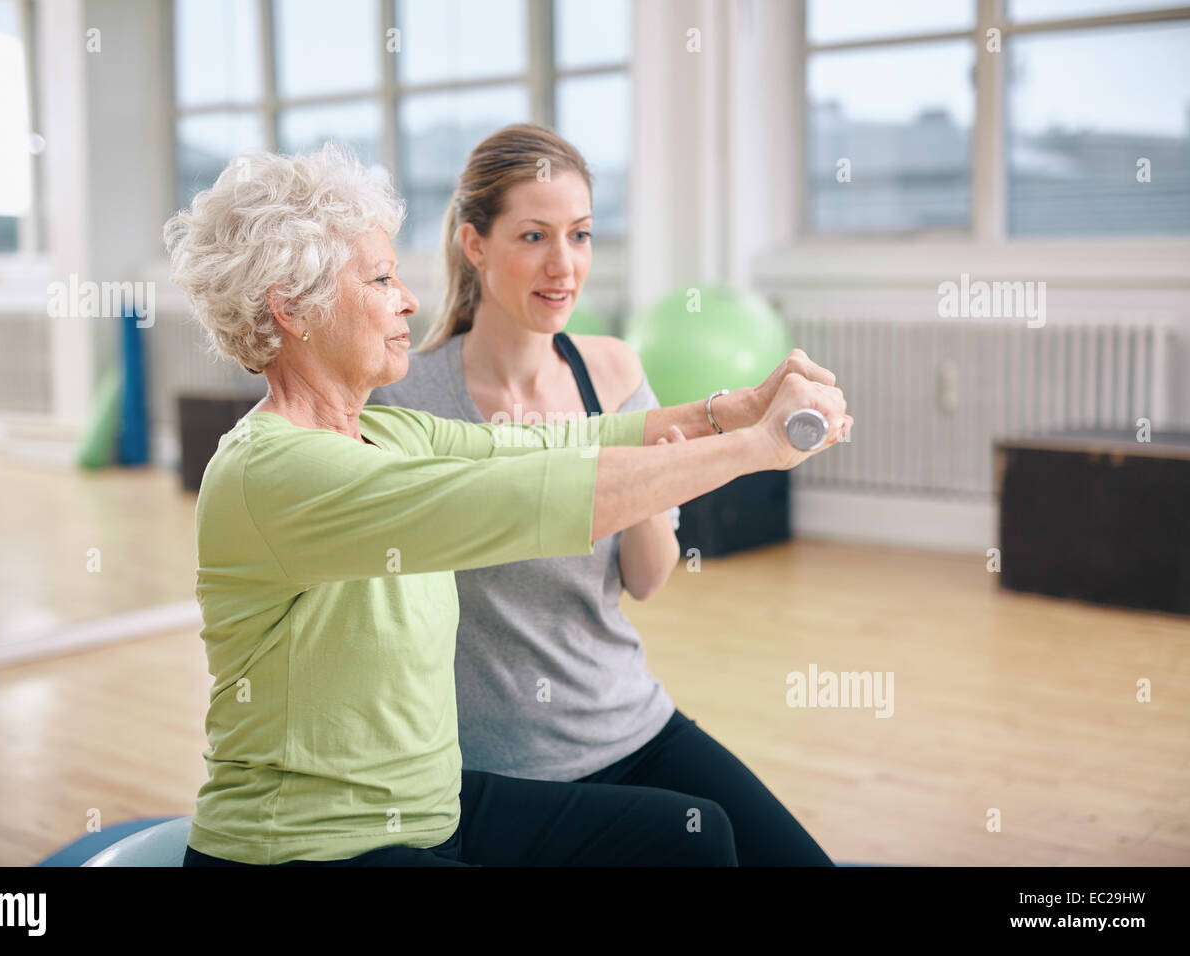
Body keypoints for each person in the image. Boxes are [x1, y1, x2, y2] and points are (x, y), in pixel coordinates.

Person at [162, 141, 851, 866]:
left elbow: (555, 447)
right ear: (293, 309)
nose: (409, 298)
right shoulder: (277, 470)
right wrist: (758, 449)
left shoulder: (388, 430)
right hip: (310, 845)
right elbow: (523, 498)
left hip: (435, 810)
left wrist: (740, 409)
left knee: (698, 837)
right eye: (381, 278)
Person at [368, 124, 839, 866]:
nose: (564, 265)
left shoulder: (612, 373)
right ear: (475, 243)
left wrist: (654, 487)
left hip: (630, 723)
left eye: (580, 235)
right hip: (499, 774)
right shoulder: (407, 397)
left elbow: (649, 580)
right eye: (533, 236)